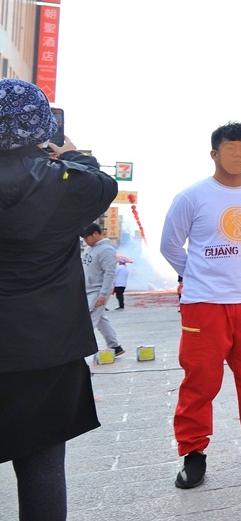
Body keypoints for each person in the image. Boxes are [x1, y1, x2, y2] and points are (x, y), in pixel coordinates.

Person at [0, 81, 117, 521]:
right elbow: (103, 184)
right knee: (41, 464)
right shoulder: (61, 184)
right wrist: (69, 151)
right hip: (45, 349)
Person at [160, 121, 241, 489]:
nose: (238, 154)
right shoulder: (192, 197)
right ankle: (193, 452)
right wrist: (200, 274)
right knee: (200, 380)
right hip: (204, 304)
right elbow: (170, 246)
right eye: (230, 148)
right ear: (214, 154)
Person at [80, 223, 124, 356]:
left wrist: (103, 295)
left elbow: (109, 273)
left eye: (86, 237)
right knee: (100, 320)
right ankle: (115, 346)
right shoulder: (89, 249)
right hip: (88, 290)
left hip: (97, 291)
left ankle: (79, 350)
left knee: (89, 319)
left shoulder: (106, 250)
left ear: (95, 234)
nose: (85, 241)